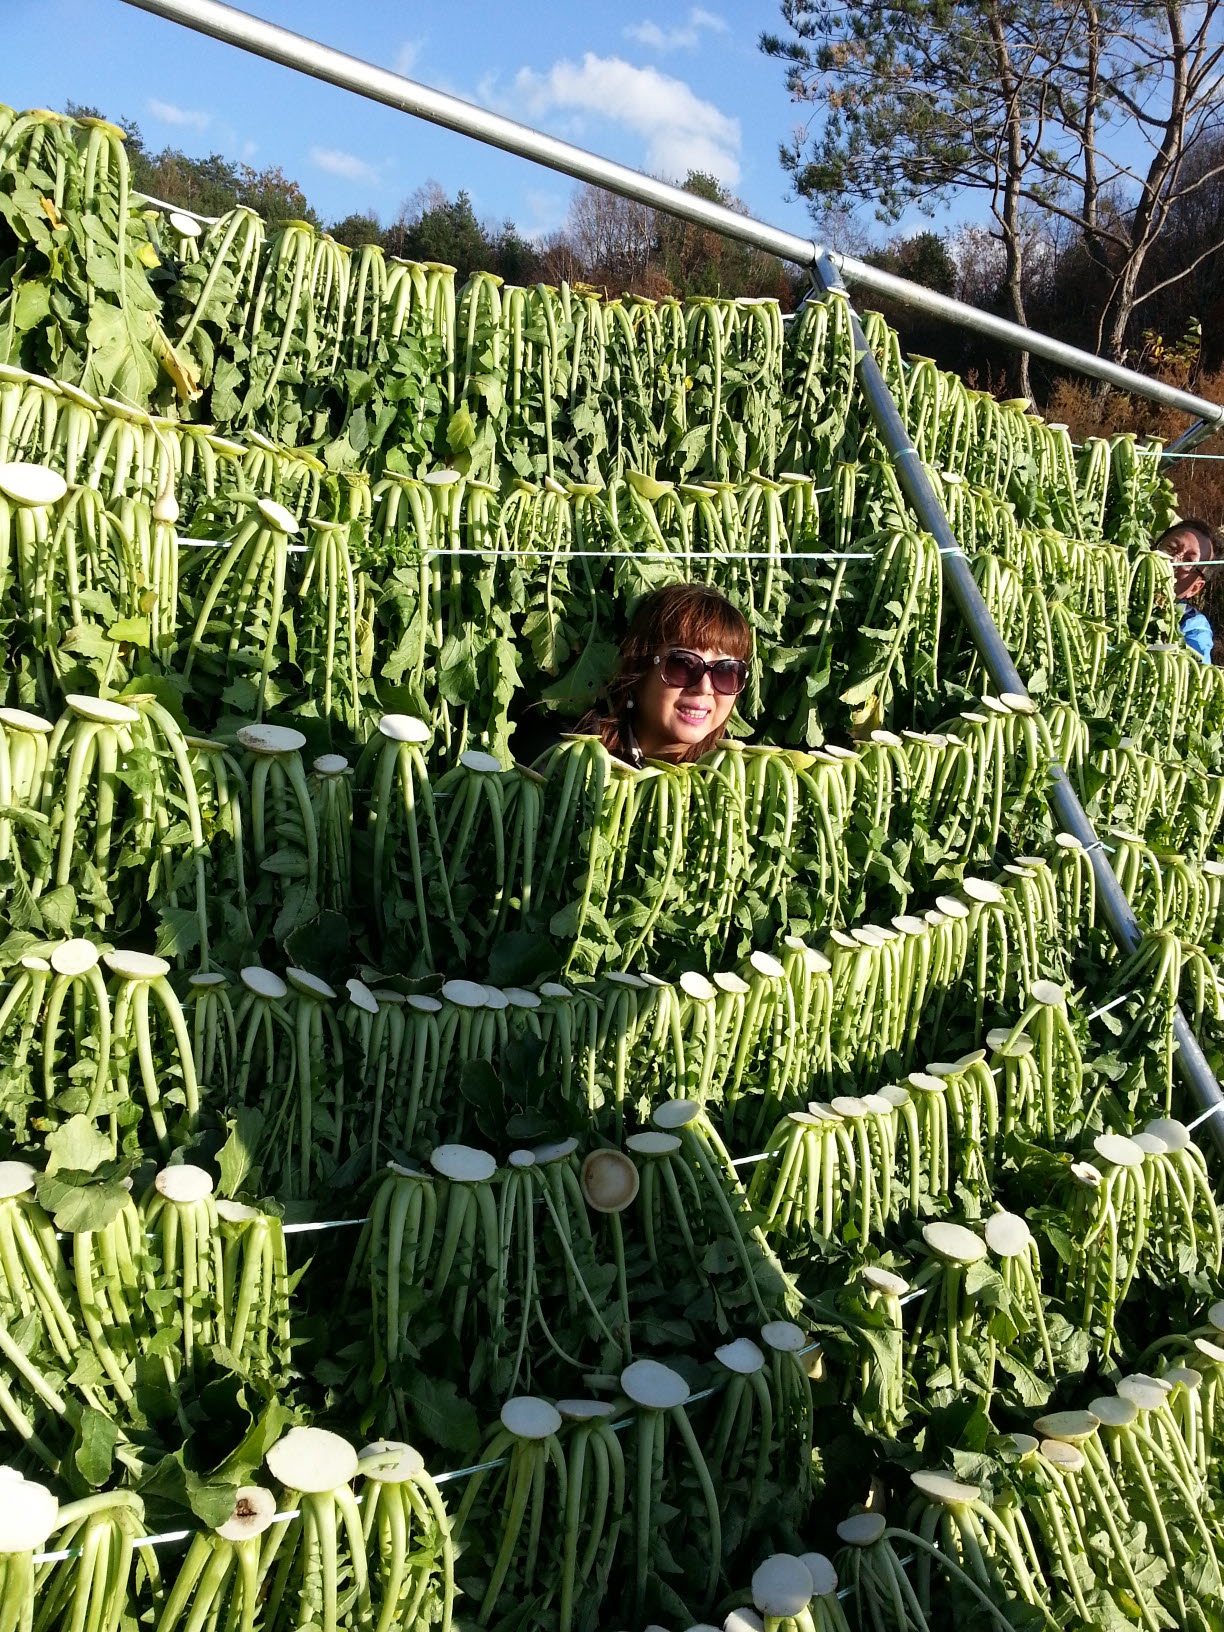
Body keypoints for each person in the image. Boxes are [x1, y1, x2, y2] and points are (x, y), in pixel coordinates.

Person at [576, 582, 752, 766]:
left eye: (726, 671)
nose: (704, 687)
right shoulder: (564, 764)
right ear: (638, 668)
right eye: (682, 664)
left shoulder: (740, 778)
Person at [1153, 518, 1217, 664]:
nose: (1174, 560)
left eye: (1189, 561)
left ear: (1194, 588)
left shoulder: (1193, 626)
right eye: (1170, 548)